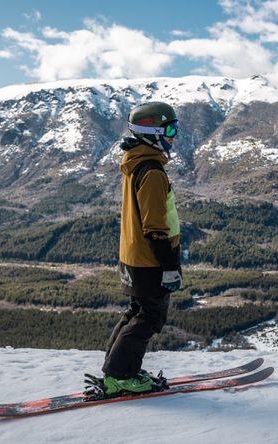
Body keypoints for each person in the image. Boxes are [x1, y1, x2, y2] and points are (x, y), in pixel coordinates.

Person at [100, 102, 183, 395]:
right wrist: (169, 267)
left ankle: (116, 370)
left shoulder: (135, 163)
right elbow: (155, 227)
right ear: (152, 132)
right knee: (150, 318)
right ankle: (121, 375)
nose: (174, 136)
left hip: (133, 256)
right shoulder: (152, 171)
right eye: (170, 130)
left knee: (136, 312)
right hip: (150, 259)